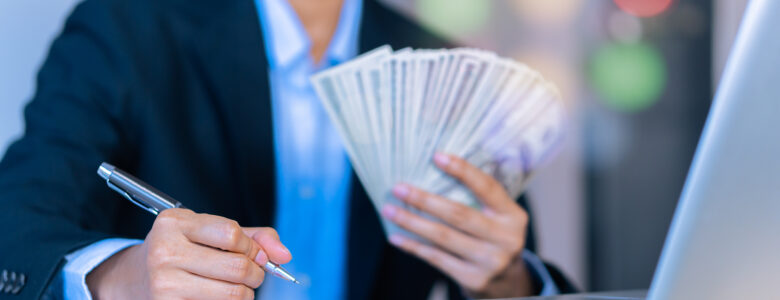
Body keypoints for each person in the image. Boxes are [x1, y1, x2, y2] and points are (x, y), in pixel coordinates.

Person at [0, 0, 575, 299]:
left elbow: (508, 256)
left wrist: (510, 284)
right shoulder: (124, 29)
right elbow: (15, 228)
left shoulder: (441, 66)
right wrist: (126, 281)